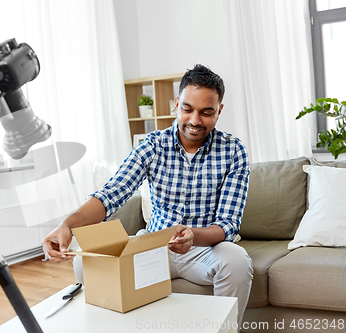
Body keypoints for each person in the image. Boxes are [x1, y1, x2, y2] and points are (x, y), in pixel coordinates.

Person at [42, 64, 253, 328]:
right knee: (86, 263)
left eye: (206, 112)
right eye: (187, 109)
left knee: (237, 261)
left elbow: (228, 223)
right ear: (176, 104)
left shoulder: (233, 150)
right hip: (153, 247)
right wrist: (67, 226)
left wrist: (192, 236)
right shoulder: (152, 145)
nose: (195, 120)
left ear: (219, 111)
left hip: (204, 249)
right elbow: (112, 194)